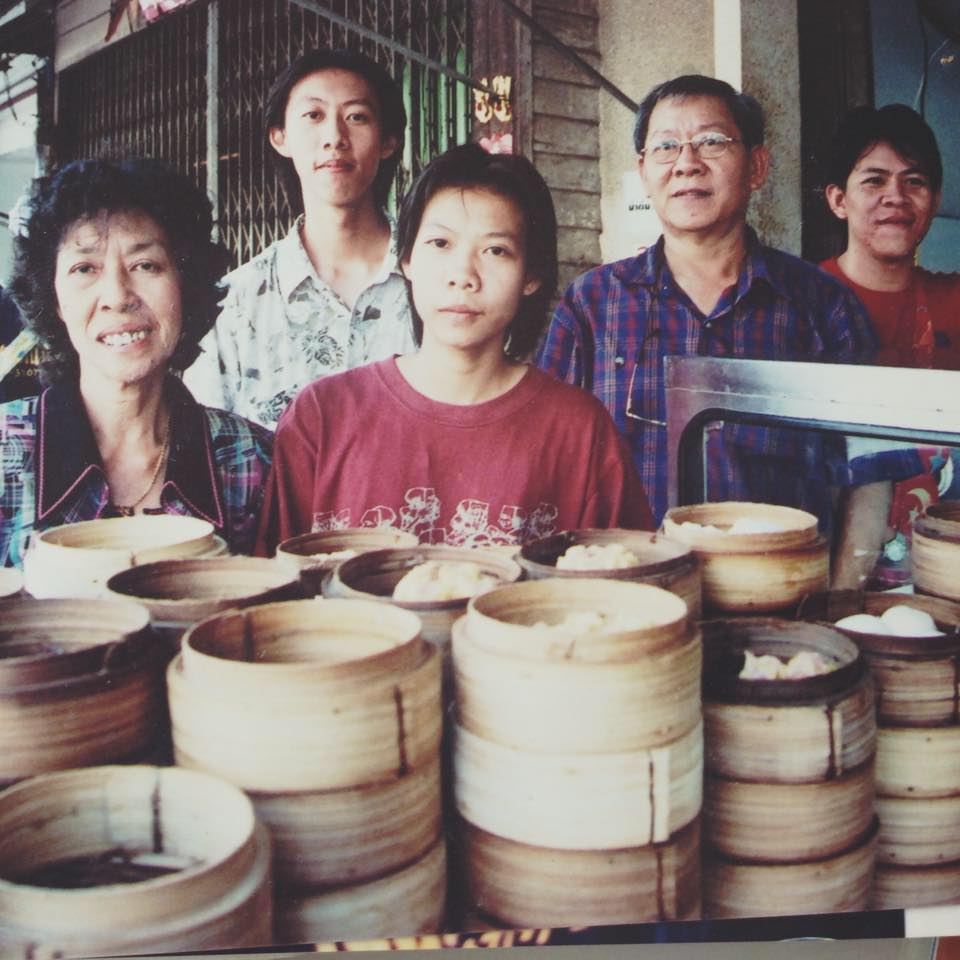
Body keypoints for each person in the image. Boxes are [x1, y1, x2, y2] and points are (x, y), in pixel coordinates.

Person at [257, 143, 653, 553]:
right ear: (406, 259)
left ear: (531, 275)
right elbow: (274, 585)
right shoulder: (322, 417)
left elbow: (629, 578)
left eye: (495, 250)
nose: (463, 275)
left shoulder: (580, 432)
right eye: (440, 243)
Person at [535, 74, 876, 527]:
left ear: (756, 166)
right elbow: (544, 451)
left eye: (711, 142)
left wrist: (847, 574)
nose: (686, 163)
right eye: (666, 146)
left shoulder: (823, 306)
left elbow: (870, 473)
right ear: (644, 172)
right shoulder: (592, 303)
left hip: (778, 569)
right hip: (632, 568)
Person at [1, 159, 273, 567]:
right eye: (84, 268)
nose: (117, 296)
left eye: (145, 265)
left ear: (184, 284)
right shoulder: (5, 451)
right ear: (54, 299)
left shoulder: (253, 460)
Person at [184, 49, 415, 428]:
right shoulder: (236, 304)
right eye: (314, 116)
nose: (335, 137)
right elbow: (206, 442)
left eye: (357, 116)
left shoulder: (436, 281)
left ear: (388, 141)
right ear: (281, 138)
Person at [821, 104, 960, 587]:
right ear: (839, 200)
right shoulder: (799, 306)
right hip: (828, 579)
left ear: (934, 201)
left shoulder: (953, 301)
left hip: (942, 576)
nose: (895, 197)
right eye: (874, 181)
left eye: (914, 181)